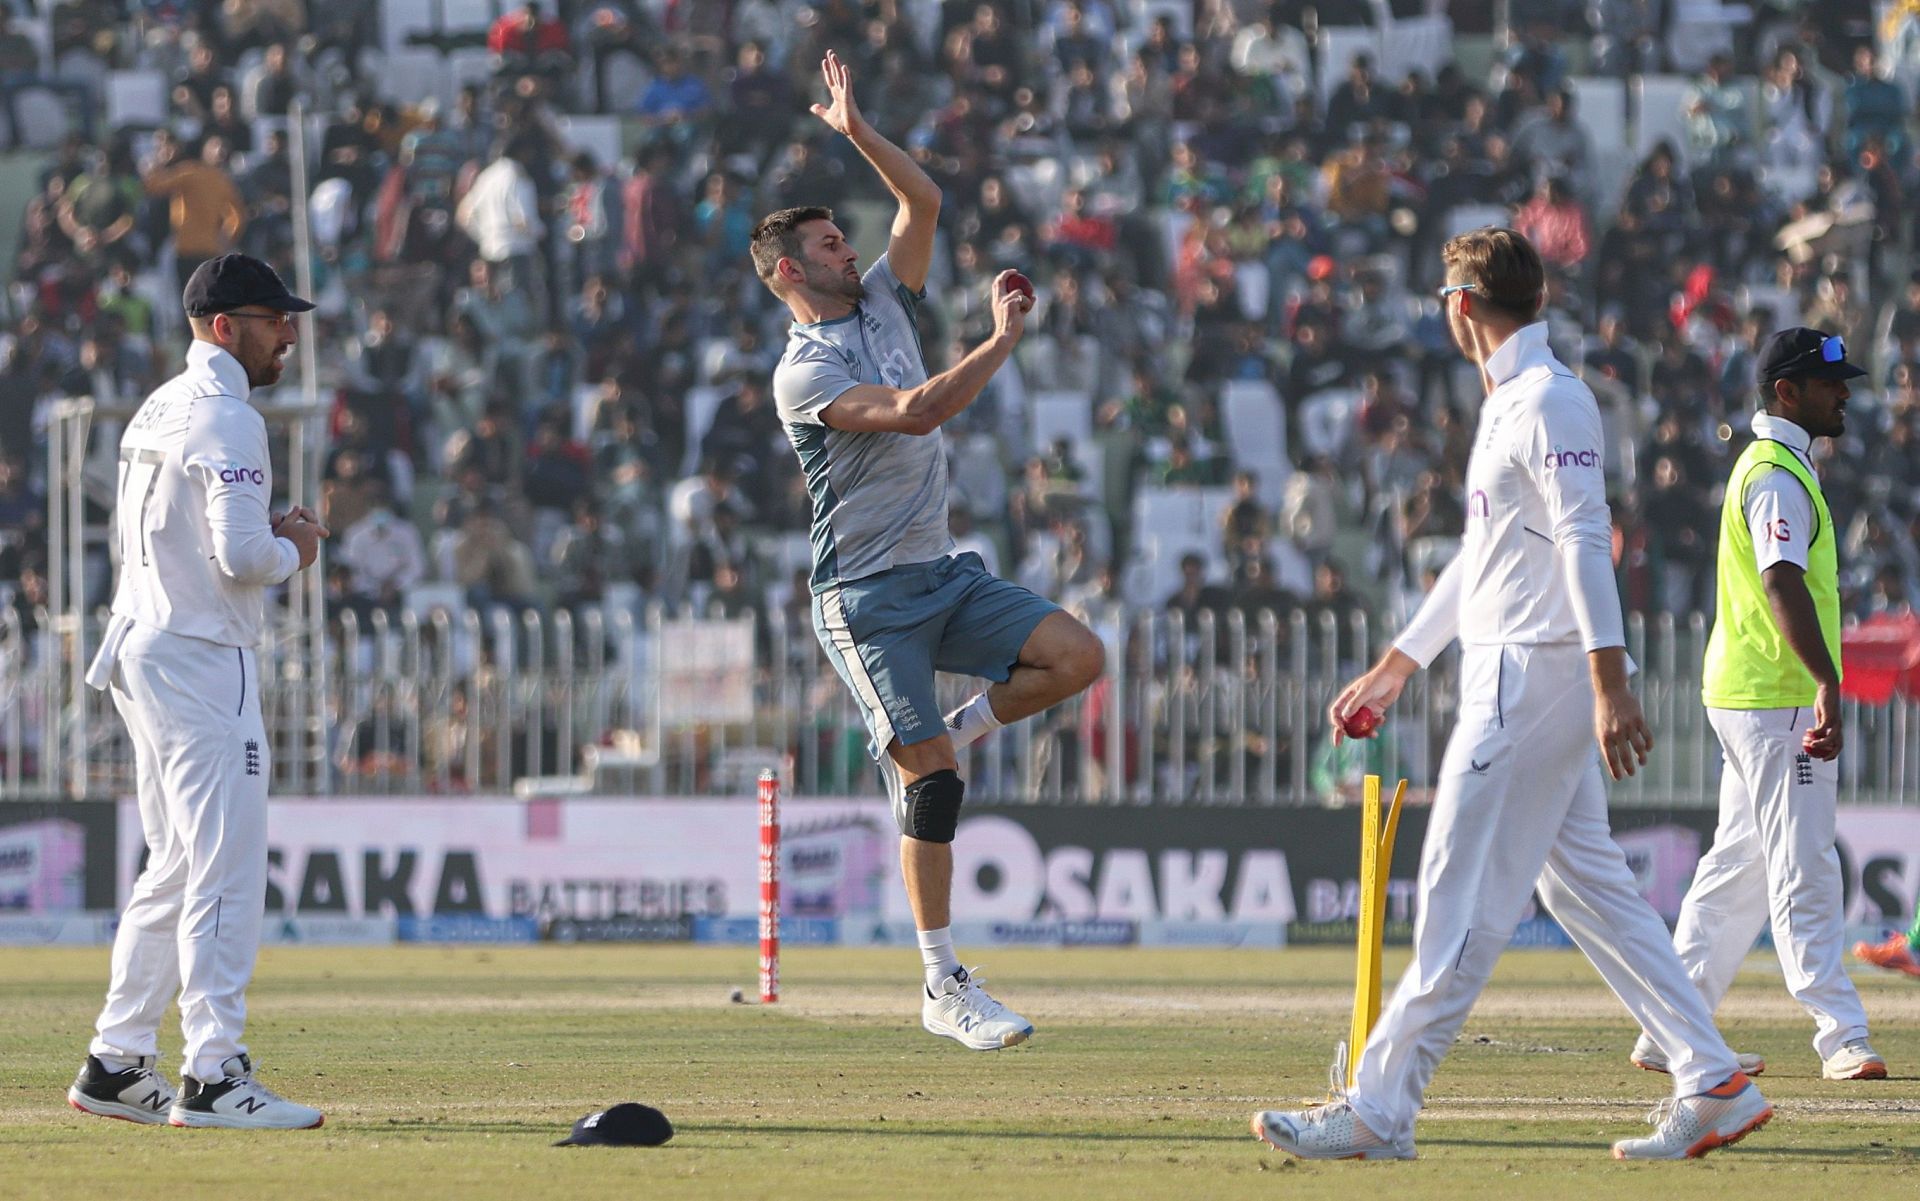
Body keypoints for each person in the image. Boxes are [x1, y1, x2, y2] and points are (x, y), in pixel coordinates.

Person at [1252, 229, 1771, 1161]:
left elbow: (1584, 539)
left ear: (1461, 307)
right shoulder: (1514, 402)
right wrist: (1399, 663)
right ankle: (1713, 1077)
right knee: (1587, 887)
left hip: (1533, 675)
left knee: (1459, 894)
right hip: (1525, 667)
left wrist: (1611, 681)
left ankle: (1378, 1106)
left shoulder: (1549, 402)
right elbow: (1487, 559)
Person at [754, 52, 1103, 1051]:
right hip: (865, 599)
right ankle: (942, 982)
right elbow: (911, 413)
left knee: (1078, 659)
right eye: (827, 242)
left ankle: (948, 729)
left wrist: (856, 130)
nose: (846, 246)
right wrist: (999, 342)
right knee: (938, 783)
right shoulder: (804, 370)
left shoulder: (881, 302)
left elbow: (924, 199)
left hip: (939, 572)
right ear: (789, 270)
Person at [68, 255, 328, 1130]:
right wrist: (296, 546)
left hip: (145, 642)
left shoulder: (161, 402)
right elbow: (242, 557)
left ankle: (116, 1057)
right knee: (223, 865)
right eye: (271, 319)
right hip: (198, 656)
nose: (287, 333)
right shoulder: (225, 414)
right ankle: (213, 1073)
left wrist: (266, 535)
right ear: (225, 326)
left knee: (176, 865)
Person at [1625, 329, 1886, 1081]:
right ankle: (1840, 1034)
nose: (1843, 393)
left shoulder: (1774, 464)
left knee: (1739, 865)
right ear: (1786, 393)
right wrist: (1826, 680)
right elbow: (1781, 582)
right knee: (1803, 863)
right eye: (1829, 382)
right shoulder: (1774, 473)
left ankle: (1672, 1024)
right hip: (1776, 700)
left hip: (1748, 694)